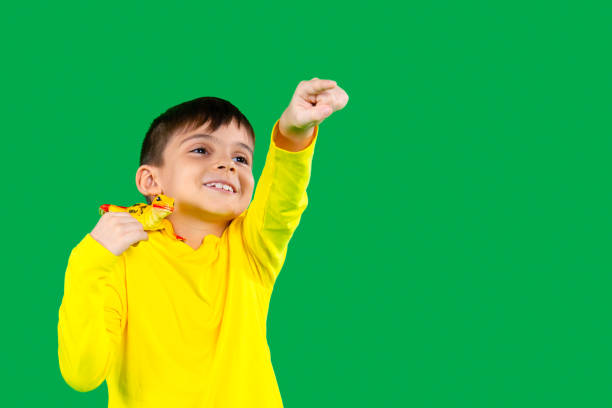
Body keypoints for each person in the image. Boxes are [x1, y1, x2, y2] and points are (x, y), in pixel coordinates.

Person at [57, 77, 349, 407]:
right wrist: (89, 260)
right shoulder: (118, 257)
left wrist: (293, 133)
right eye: (200, 150)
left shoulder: (251, 247)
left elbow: (283, 198)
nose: (227, 165)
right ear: (151, 180)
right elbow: (82, 374)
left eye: (241, 159)